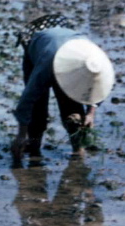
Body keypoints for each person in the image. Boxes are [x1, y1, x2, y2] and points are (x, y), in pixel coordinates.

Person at [11, 13, 114, 161]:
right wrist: (21, 135)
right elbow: (28, 99)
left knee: (72, 110)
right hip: (40, 49)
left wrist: (91, 113)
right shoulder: (47, 65)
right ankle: (33, 146)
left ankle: (78, 149)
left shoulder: (96, 60)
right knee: (37, 108)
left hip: (71, 48)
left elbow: (98, 88)